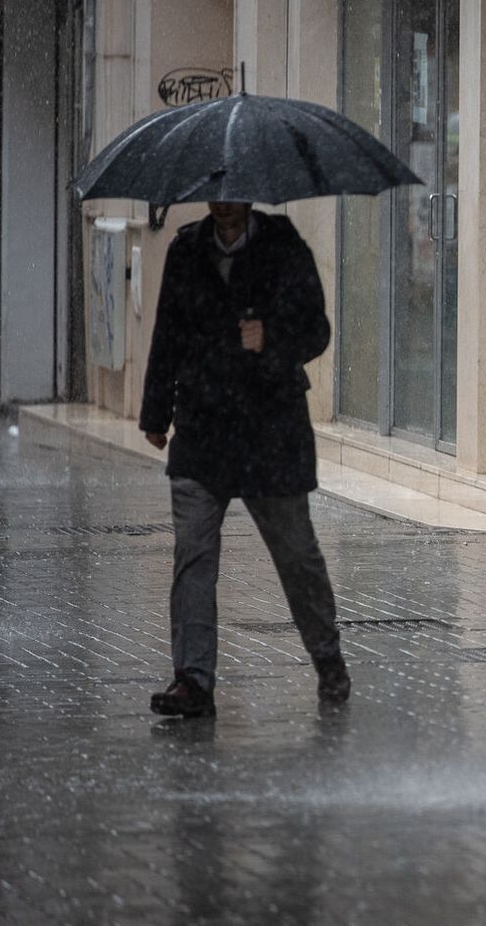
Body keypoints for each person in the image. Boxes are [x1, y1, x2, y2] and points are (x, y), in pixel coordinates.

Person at [141, 201, 350, 718]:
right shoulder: (186, 250)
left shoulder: (283, 245)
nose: (225, 205)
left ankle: (327, 659)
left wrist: (269, 338)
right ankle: (192, 680)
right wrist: (155, 412)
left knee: (297, 555)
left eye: (235, 193)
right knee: (193, 554)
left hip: (269, 433)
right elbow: (167, 333)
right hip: (203, 428)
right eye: (217, 194)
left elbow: (317, 331)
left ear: (251, 195)